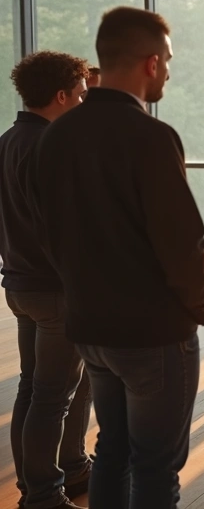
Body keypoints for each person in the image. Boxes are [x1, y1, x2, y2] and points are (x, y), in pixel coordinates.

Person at [34, 6, 204, 508]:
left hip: (90, 327)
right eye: (169, 60)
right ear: (151, 62)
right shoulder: (152, 137)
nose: (170, 71)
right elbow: (183, 243)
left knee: (112, 450)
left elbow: (47, 232)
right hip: (153, 332)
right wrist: (198, 306)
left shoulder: (56, 135)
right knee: (156, 466)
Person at [2, 52, 93, 509]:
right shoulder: (53, 147)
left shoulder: (7, 140)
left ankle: (71, 469)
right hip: (57, 290)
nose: (83, 101)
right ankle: (42, 494)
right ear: (61, 96)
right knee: (53, 396)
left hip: (20, 286)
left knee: (37, 388)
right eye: (80, 94)